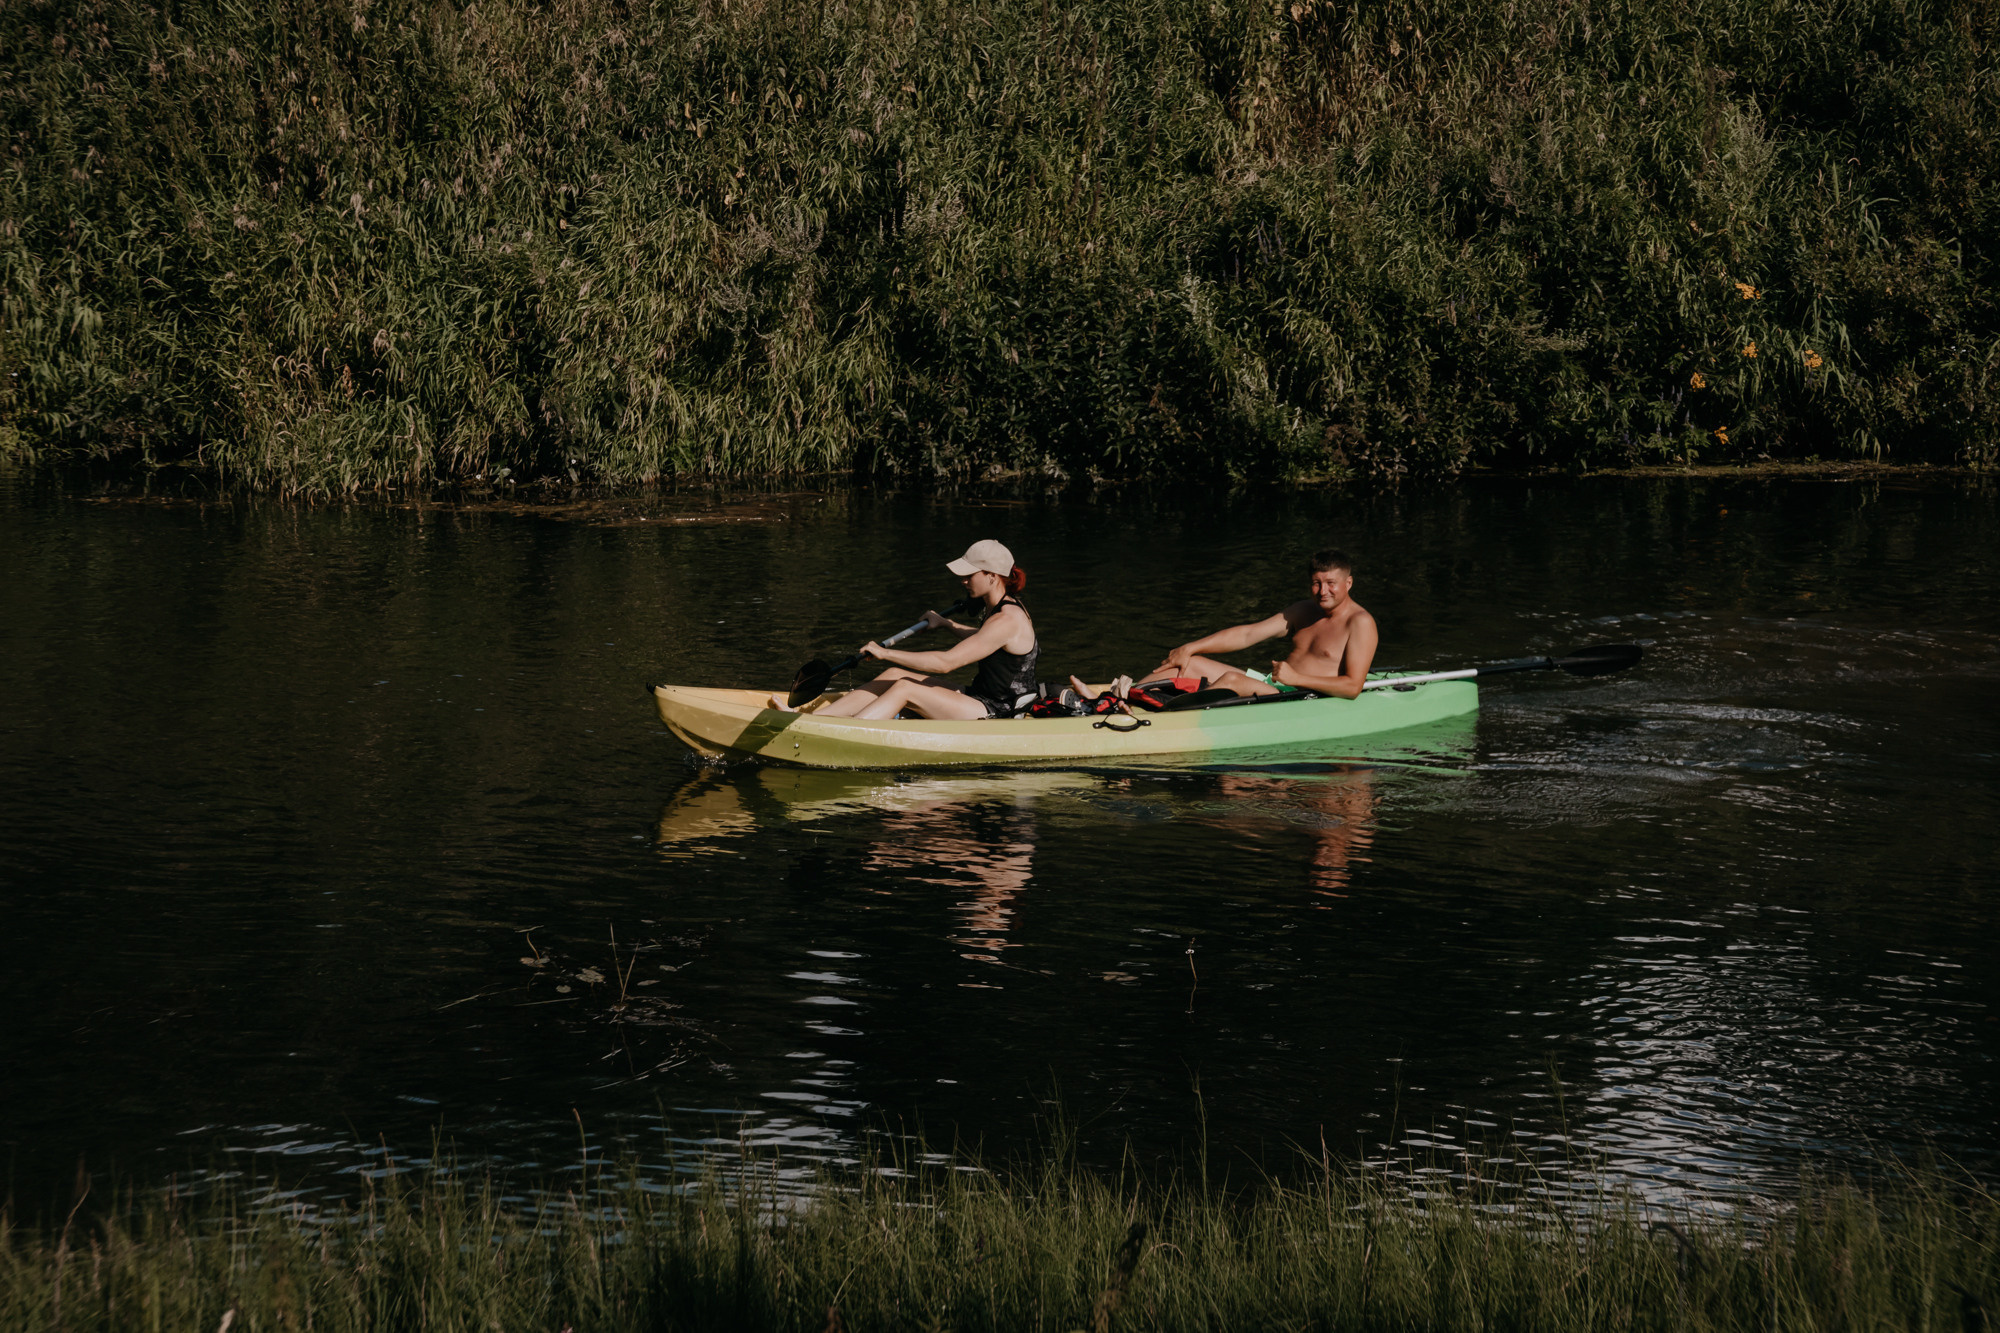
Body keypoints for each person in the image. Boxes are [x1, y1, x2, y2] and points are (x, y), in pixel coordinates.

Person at [1073, 549, 1377, 701]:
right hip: (1274, 684)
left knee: (1233, 679)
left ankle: (1161, 720)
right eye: (1316, 583)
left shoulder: (1360, 623)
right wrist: (1190, 647)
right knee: (1185, 665)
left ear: (1348, 583)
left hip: (1299, 697)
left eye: (1331, 584)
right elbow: (1247, 633)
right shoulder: (1303, 610)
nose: (1323, 591)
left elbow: (1352, 687)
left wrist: (1297, 676)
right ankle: (1114, 701)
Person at [784, 539, 1040, 720]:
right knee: (893, 675)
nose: (963, 580)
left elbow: (946, 663)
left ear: (992, 576)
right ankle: (814, 719)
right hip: (979, 695)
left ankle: (849, 732)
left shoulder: (1007, 619)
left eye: (969, 575)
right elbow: (984, 641)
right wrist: (947, 624)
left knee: (905, 687)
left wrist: (885, 653)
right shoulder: (1000, 609)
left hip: (998, 709)